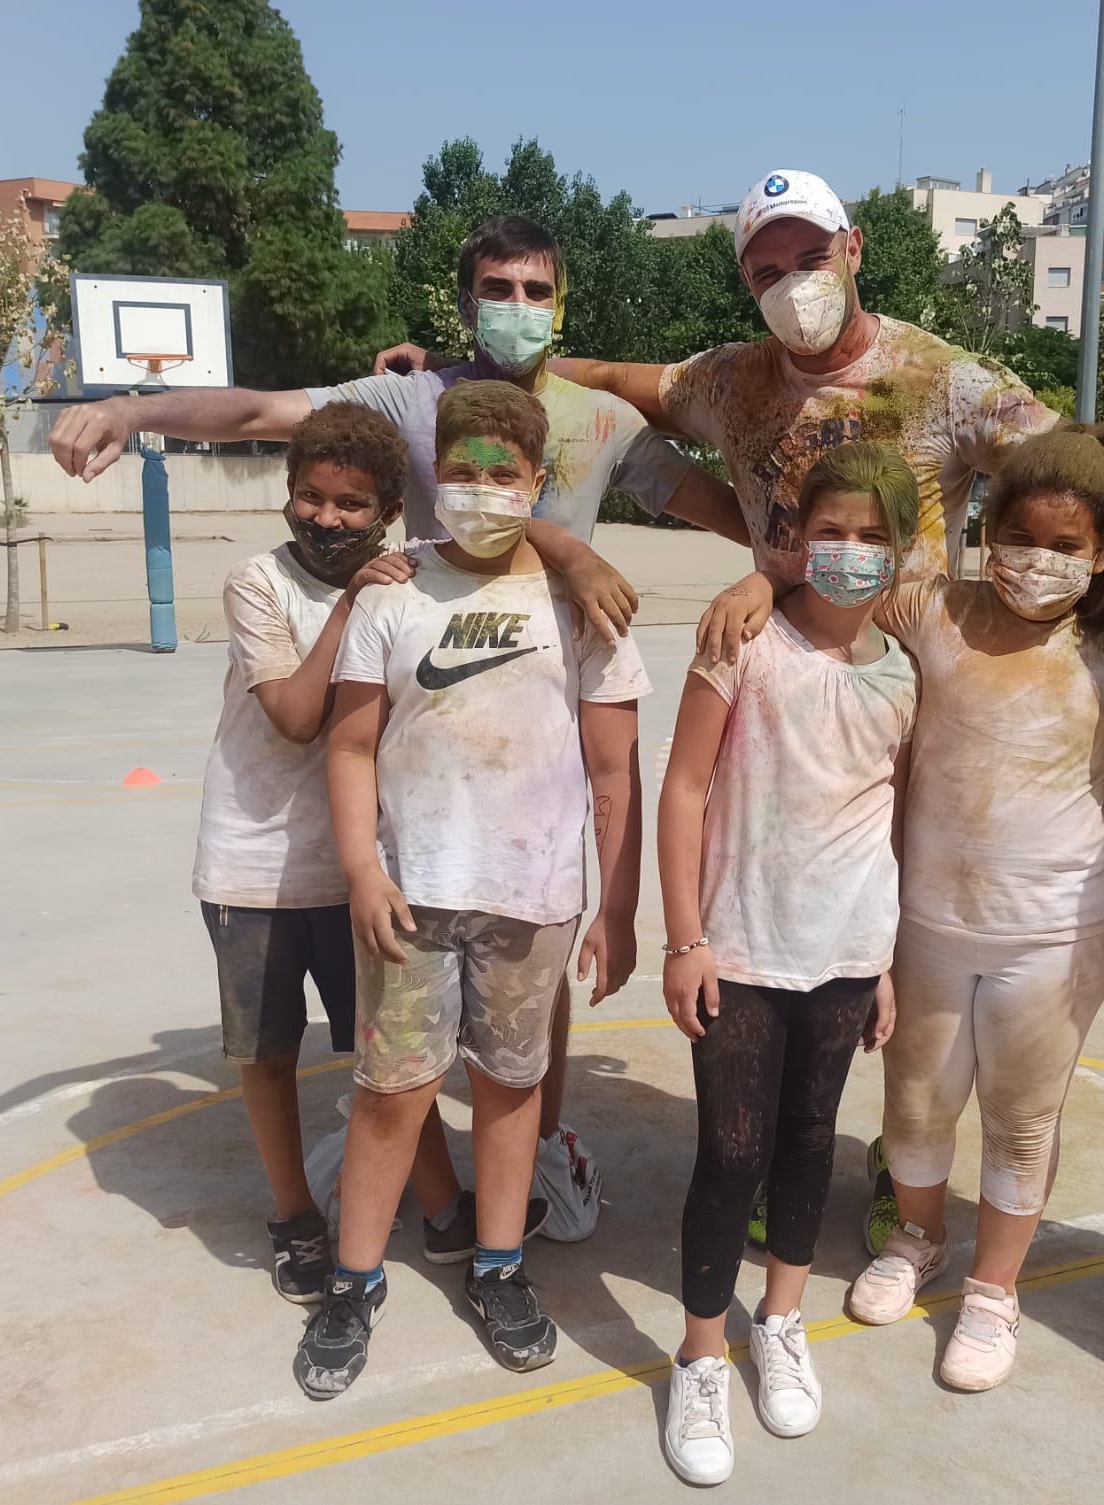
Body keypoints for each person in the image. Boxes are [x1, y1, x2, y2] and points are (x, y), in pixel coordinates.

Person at [50, 216, 726, 1240]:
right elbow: (262, 411)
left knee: (534, 964)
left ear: (562, 304)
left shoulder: (601, 420)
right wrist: (133, 407)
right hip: (422, 722)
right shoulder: (410, 398)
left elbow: (713, 500)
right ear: (463, 300)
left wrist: (795, 567)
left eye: (536, 290)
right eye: (496, 287)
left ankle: (542, 1144)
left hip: (535, 726)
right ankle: (397, 1155)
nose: (516, 306)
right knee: (408, 971)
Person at [300, 381, 648, 1400]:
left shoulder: (581, 603)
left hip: (531, 899)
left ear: (537, 483)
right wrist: (362, 867)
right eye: (462, 469)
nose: (481, 487)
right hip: (410, 896)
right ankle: (353, 1280)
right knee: (392, 1092)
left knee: (510, 1088)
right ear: (432, 475)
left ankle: (499, 1265)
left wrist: (615, 908)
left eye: (504, 473)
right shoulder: (392, 593)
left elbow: (615, 771)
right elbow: (350, 743)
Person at [809, 427, 1104, 1395]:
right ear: (987, 535)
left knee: (1021, 1117)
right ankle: (918, 1238)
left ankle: (994, 1289)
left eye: (1067, 545)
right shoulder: (933, 607)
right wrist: (751, 587)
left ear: (1101, 557)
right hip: (927, 920)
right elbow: (828, 587)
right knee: (916, 1099)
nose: (1038, 559)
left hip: (1053, 928)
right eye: (1019, 536)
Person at [378, 169, 1061, 586]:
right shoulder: (731, 381)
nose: (794, 286)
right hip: (782, 667)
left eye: (812, 259)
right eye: (769, 272)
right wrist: (453, 368)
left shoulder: (948, 382)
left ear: (853, 249)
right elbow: (607, 375)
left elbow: (1078, 473)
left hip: (909, 682)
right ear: (746, 280)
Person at [656, 443, 913, 1486]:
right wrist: (684, 936)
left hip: (846, 950)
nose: (848, 551)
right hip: (742, 946)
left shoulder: (903, 672)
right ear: (796, 538)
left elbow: (886, 817)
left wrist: (882, 960)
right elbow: (683, 786)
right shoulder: (744, 641)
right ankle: (699, 1357)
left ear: (902, 551)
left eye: (872, 536)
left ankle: (781, 1319)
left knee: (811, 1139)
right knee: (731, 1152)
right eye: (830, 531)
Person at [193, 401, 461, 1302]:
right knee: (268, 1052)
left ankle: (445, 1206)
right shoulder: (258, 583)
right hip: (253, 864)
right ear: (288, 491)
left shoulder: (411, 581)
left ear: (388, 509)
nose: (328, 517)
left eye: (352, 504)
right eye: (312, 495)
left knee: (390, 1052)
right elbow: (299, 716)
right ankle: (295, 1216)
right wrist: (352, 603)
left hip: (365, 869)